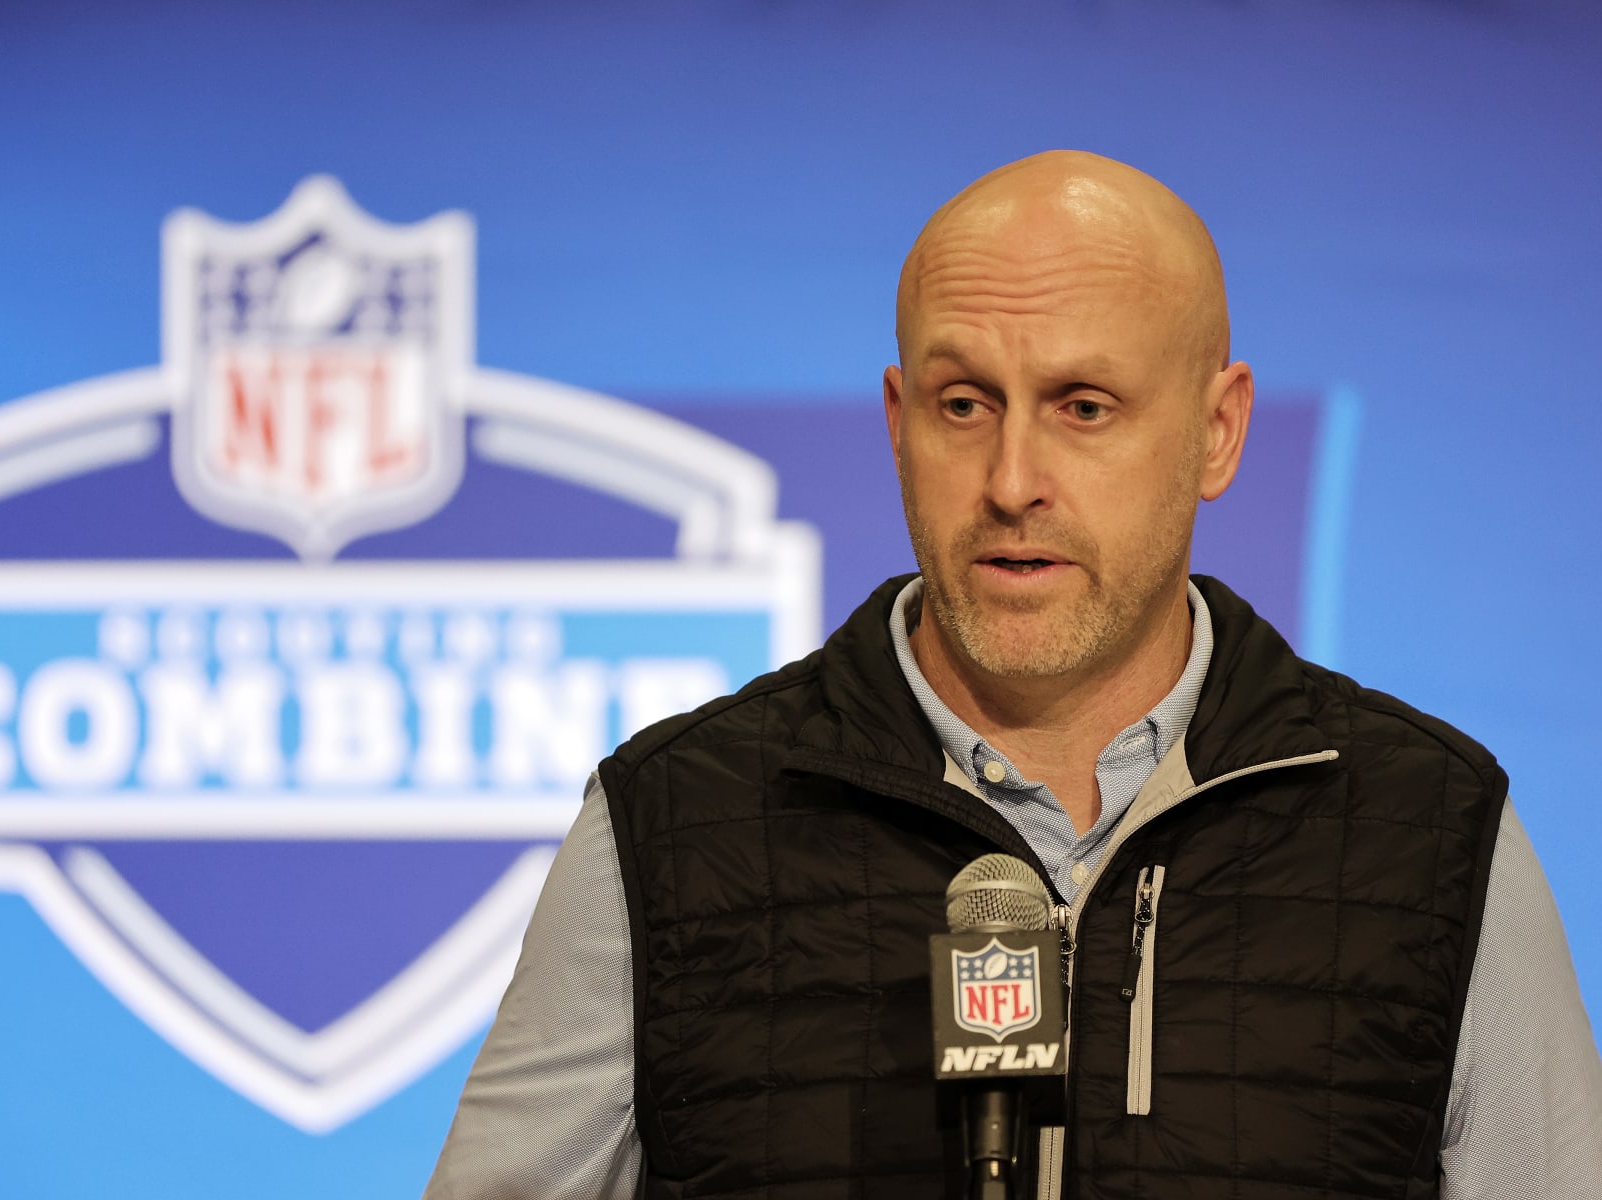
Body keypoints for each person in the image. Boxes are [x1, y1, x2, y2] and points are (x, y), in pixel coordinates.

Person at [424, 151, 1602, 1198]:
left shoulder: (1434, 830)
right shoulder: (668, 822)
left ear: (1218, 432)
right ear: (898, 421)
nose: (1011, 479)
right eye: (963, 404)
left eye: (1083, 407)